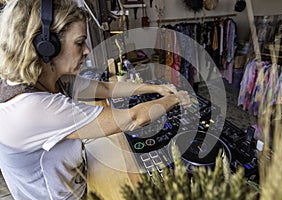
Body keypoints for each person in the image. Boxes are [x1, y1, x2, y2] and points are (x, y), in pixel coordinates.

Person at [0, 0, 191, 199]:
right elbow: (133, 118)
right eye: (80, 42)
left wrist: (155, 88)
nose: (87, 51)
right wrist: (175, 99)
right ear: (47, 47)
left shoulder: (45, 80)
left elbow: (105, 88)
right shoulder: (32, 108)